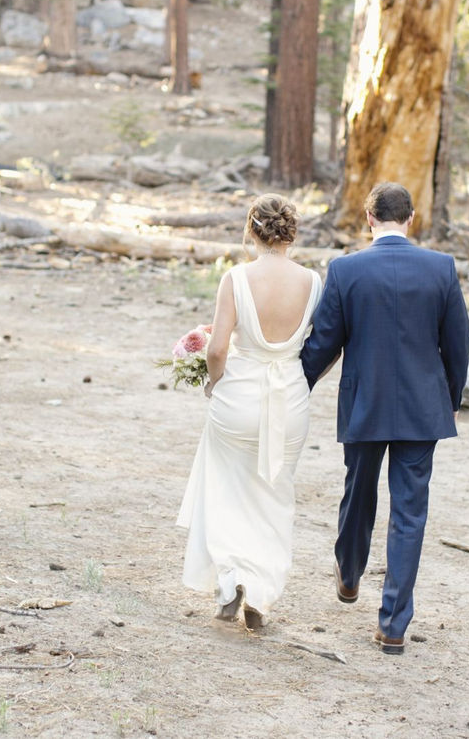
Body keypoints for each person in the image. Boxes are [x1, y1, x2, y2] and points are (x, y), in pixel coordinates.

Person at [301, 181, 469, 655]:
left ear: (369, 218)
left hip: (365, 404)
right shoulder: (441, 268)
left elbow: (323, 343)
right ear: (411, 219)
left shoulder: (346, 270)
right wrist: (450, 396)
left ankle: (349, 573)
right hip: (422, 407)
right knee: (409, 513)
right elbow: (457, 342)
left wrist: (294, 384)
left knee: (358, 492)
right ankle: (394, 624)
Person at [176, 194, 322, 631]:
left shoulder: (236, 278)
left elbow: (218, 347)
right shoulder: (314, 282)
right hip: (289, 399)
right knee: (274, 495)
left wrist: (213, 382)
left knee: (226, 491)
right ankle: (260, 593)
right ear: (292, 232)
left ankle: (230, 583)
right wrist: (300, 376)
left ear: (251, 231)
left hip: (239, 396)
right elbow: (326, 346)